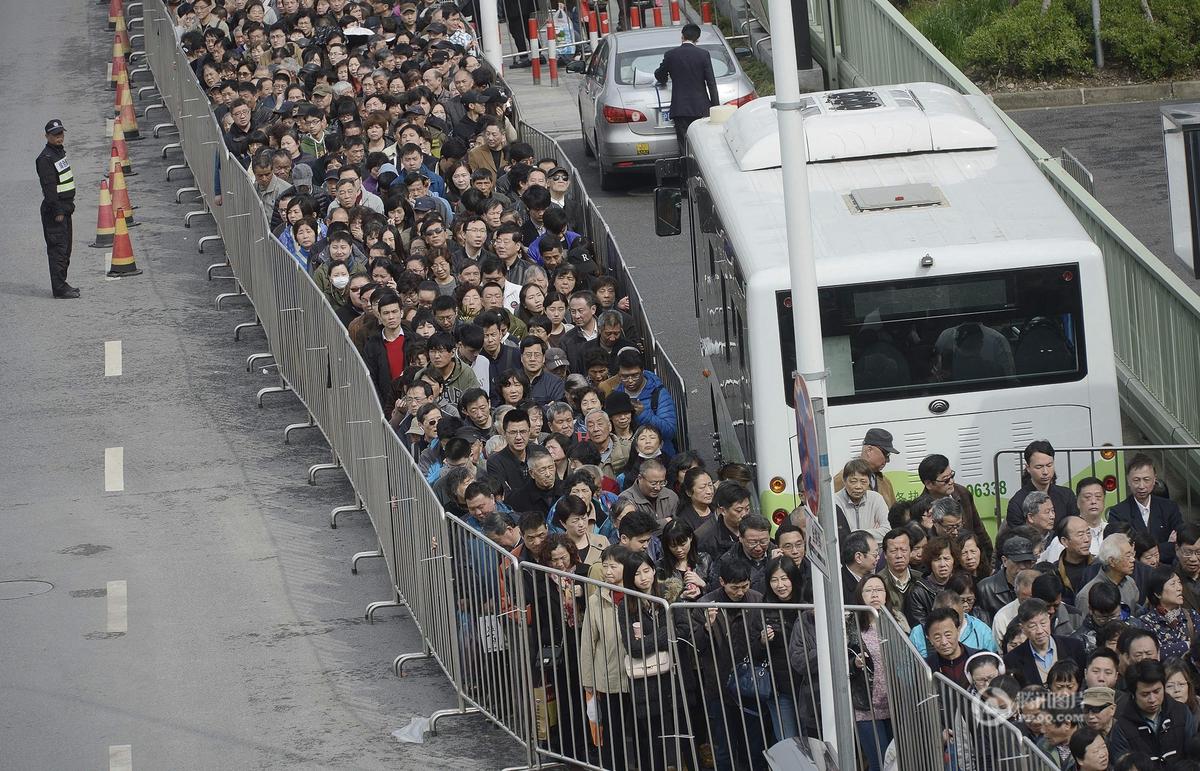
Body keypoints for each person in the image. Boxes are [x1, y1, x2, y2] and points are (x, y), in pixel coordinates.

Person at [578, 544, 632, 770]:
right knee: (613, 733)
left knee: (641, 731)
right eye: (605, 566)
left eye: (614, 566)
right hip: (609, 678)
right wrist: (588, 681)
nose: (608, 572)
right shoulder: (595, 600)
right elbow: (588, 643)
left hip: (638, 675)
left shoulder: (637, 595)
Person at [1109, 660, 1197, 764]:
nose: (1152, 699)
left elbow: (1193, 755)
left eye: (1157, 691)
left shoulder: (1182, 712)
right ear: (1133, 694)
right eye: (1145, 694)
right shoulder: (1122, 727)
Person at [848, 574, 893, 771]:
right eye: (869, 590)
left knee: (895, 763)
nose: (875, 594)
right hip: (865, 706)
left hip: (894, 705)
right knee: (879, 763)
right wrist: (854, 663)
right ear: (860, 595)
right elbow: (842, 661)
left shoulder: (896, 623)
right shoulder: (851, 626)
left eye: (879, 590)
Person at [1105, 453, 1183, 564]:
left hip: (1168, 568)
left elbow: (1180, 544)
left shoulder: (1169, 508)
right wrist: (1166, 545)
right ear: (1128, 480)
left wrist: (1142, 552)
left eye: (1146, 479)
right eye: (1136, 480)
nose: (1141, 486)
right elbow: (1120, 550)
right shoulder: (1118, 512)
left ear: (1154, 479)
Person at [653, 23, 719, 154]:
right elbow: (711, 83)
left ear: (682, 36)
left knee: (684, 145)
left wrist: (664, 79)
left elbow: (659, 74)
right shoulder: (703, 55)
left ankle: (687, 165)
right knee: (703, 143)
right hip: (701, 107)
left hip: (680, 108)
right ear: (697, 39)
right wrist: (715, 107)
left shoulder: (671, 55)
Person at [36, 119, 78, 298]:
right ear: (47, 136)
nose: (59, 137)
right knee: (58, 250)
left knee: (66, 250)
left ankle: (62, 283)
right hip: (55, 212)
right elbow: (49, 188)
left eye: (61, 134)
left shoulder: (58, 153)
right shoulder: (45, 158)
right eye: (55, 135)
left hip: (65, 208)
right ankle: (59, 288)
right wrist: (58, 211)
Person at [1003, 598, 1087, 687]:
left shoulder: (1074, 647)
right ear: (1023, 628)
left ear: (1049, 618)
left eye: (1043, 623)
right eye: (1032, 626)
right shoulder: (1012, 659)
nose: (1040, 631)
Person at [1005, 440, 1080, 529]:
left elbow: (1075, 527)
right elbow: (1018, 534)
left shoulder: (1066, 495)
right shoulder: (1017, 502)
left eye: (1049, 465)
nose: (1045, 472)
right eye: (1039, 467)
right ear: (1028, 468)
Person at [1129, 567, 1200, 659]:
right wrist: (1187, 645)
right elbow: (1153, 653)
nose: (1179, 588)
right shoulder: (1146, 622)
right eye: (1173, 584)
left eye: (1179, 583)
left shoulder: (1191, 615)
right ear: (1157, 594)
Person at [1077, 533, 1142, 616]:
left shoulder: (1130, 583)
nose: (1133, 560)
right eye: (1128, 556)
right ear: (1112, 561)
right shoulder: (1086, 595)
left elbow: (1135, 614)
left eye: (1132, 554)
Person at [833, 427, 899, 507]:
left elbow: (894, 512)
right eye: (886, 454)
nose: (888, 460)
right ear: (869, 450)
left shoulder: (885, 483)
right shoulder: (843, 478)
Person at [834, 458, 889, 540]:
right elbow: (837, 535)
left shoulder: (876, 498)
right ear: (844, 481)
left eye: (863, 482)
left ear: (869, 482)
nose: (858, 486)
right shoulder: (835, 501)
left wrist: (854, 532)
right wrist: (873, 532)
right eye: (853, 481)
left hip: (871, 548)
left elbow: (887, 531)